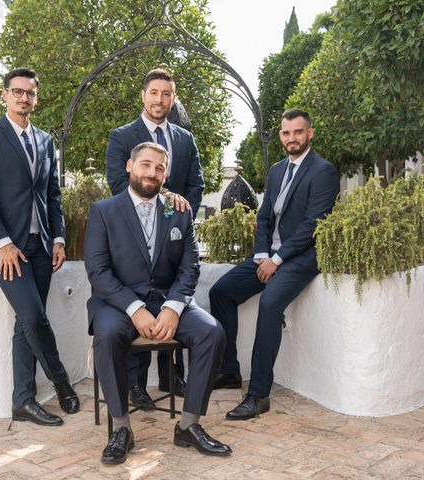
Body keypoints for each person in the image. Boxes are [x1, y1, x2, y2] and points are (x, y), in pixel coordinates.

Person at [86, 142, 231, 464]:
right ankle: (121, 429)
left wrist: (174, 307)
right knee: (107, 335)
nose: (152, 173)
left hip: (168, 299)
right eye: (146, 165)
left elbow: (190, 266)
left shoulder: (179, 210)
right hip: (118, 303)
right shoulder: (103, 211)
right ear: (130, 166)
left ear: (166, 173)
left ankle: (189, 425)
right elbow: (97, 271)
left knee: (212, 332)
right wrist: (134, 309)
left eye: (159, 168)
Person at [209, 108, 339, 420]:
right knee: (221, 292)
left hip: (303, 257)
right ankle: (228, 371)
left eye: (298, 132)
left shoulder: (324, 171)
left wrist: (278, 259)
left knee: (269, 305)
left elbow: (312, 224)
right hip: (270, 256)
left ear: (310, 133)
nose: (291, 138)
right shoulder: (277, 170)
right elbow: (265, 215)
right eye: (286, 133)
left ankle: (258, 394)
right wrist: (262, 254)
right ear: (281, 135)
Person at [0, 67, 79, 427]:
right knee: (33, 316)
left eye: (30, 93)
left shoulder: (45, 140)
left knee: (25, 324)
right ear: (5, 94)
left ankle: (23, 400)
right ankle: (61, 382)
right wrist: (1, 244)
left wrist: (59, 237)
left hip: (42, 246)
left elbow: (52, 194)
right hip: (6, 248)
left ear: (36, 96)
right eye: (17, 92)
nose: (24, 98)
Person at [106, 67, 204, 405]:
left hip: (173, 233)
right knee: (140, 292)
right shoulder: (122, 136)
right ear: (143, 95)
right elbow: (118, 186)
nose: (159, 99)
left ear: (173, 98)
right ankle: (135, 385)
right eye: (154, 93)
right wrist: (162, 200)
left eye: (166, 94)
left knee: (169, 293)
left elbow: (196, 184)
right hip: (133, 233)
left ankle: (171, 377)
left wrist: (178, 214)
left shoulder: (184, 139)